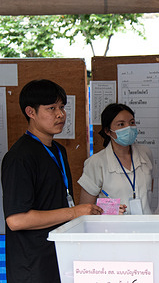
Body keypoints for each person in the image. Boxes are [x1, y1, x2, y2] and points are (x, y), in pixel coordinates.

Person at [1, 79, 103, 283]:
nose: (60, 114)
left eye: (62, 107)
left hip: (59, 254)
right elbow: (16, 220)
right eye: (51, 108)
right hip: (32, 265)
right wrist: (75, 212)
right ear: (31, 112)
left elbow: (58, 201)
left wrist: (98, 210)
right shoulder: (20, 157)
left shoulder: (58, 150)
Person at [78, 103, 154, 214]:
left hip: (147, 227)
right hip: (113, 229)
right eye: (121, 124)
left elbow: (150, 191)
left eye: (132, 123)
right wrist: (108, 210)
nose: (128, 128)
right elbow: (84, 209)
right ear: (107, 131)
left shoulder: (145, 153)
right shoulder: (96, 162)